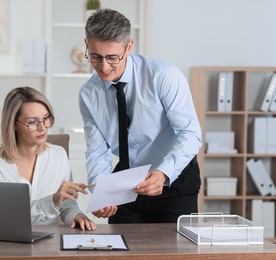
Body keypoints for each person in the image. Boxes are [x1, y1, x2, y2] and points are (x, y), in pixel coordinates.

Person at [79, 9, 202, 223]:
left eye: (112, 57)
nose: (104, 67)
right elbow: (97, 152)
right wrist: (101, 195)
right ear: (87, 44)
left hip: (173, 180)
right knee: (120, 251)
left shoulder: (163, 75)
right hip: (126, 183)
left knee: (174, 254)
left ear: (129, 47)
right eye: (95, 56)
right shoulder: (88, 95)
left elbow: (190, 133)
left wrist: (163, 173)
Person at [0, 86, 96, 230]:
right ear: (14, 124)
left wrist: (77, 215)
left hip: (50, 244)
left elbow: (67, 206)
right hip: (10, 240)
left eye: (46, 118)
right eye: (32, 122)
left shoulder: (58, 155)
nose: (43, 128)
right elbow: (7, 214)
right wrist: (53, 201)